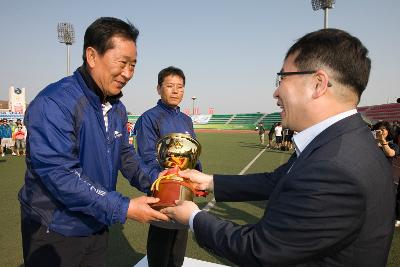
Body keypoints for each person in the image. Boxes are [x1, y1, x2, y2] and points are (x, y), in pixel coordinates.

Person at [162, 29, 395, 266]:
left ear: (318, 83)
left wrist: (193, 217)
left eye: (282, 77)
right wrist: (209, 181)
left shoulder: (334, 166)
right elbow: (277, 180)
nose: (276, 91)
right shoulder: (344, 140)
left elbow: (259, 250)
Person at [18, 17, 168, 267]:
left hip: (96, 222)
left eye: (133, 65)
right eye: (122, 63)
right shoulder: (54, 103)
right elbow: (61, 174)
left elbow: (126, 156)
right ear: (92, 56)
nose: (128, 74)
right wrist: (123, 207)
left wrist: (161, 181)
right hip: (55, 229)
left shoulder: (117, 108)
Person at [134, 66, 202, 267]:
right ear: (158, 89)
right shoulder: (149, 118)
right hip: (163, 189)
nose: (175, 91)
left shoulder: (186, 119)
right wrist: (165, 180)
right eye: (170, 86)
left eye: (180, 87)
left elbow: (193, 155)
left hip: (185, 190)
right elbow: (146, 156)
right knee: (161, 248)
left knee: (178, 247)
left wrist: (196, 178)